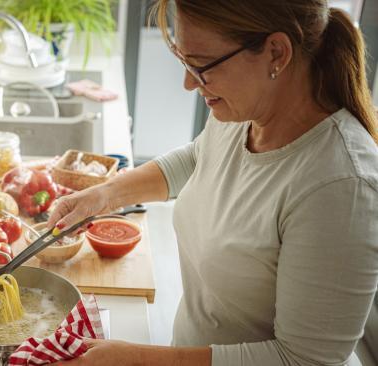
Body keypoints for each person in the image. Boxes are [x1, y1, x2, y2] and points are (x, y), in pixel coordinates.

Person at [50, 1, 378, 365]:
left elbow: (304, 360)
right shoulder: (244, 110)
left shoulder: (340, 187)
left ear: (276, 53)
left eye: (201, 65)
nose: (189, 83)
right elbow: (199, 157)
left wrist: (138, 359)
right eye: (185, 61)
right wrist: (105, 194)